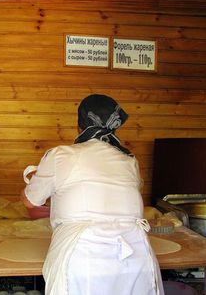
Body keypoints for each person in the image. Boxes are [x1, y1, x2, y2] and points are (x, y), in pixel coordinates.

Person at [21, 94, 164, 295]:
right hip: (135, 255)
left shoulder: (61, 155)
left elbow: (30, 201)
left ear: (80, 125)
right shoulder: (129, 161)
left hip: (83, 256)